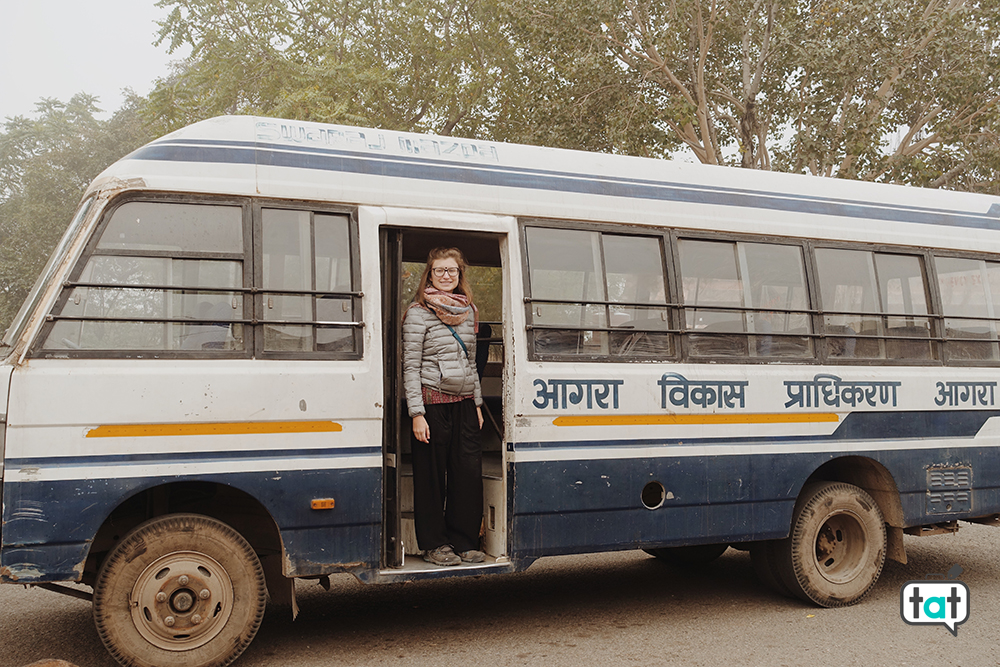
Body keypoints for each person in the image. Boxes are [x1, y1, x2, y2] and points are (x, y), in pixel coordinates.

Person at [403, 247, 486, 566]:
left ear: (460, 275)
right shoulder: (418, 312)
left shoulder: (468, 311)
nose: (447, 276)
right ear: (430, 274)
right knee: (432, 477)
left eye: (452, 271)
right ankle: (435, 544)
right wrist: (417, 414)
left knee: (467, 474)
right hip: (431, 404)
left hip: (464, 404)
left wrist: (477, 404)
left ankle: (464, 541)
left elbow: (469, 362)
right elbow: (410, 366)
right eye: (440, 271)